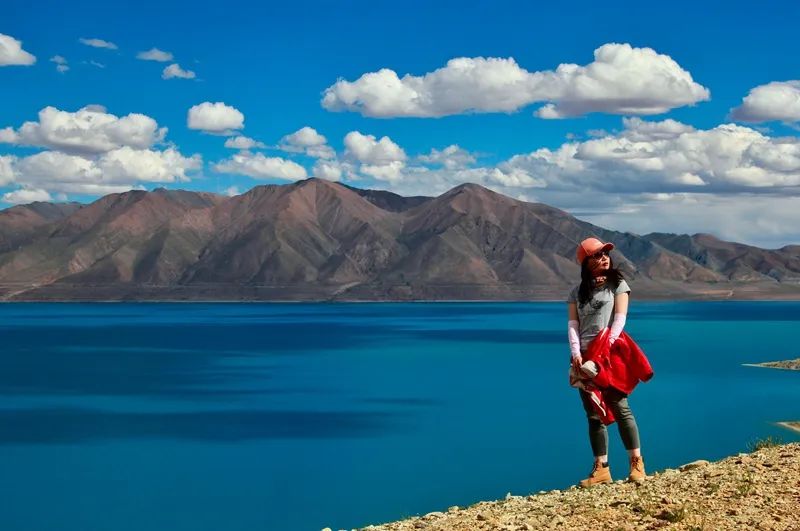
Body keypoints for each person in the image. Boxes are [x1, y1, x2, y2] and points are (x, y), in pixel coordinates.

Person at [567, 237, 646, 487]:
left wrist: (605, 349)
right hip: (585, 356)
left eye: (605, 254)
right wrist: (576, 352)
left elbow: (620, 319)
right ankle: (601, 469)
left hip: (609, 353)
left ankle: (637, 464)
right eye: (597, 255)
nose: (604, 258)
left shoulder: (617, 285)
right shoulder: (576, 292)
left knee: (619, 405)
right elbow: (573, 324)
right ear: (586, 262)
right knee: (593, 414)